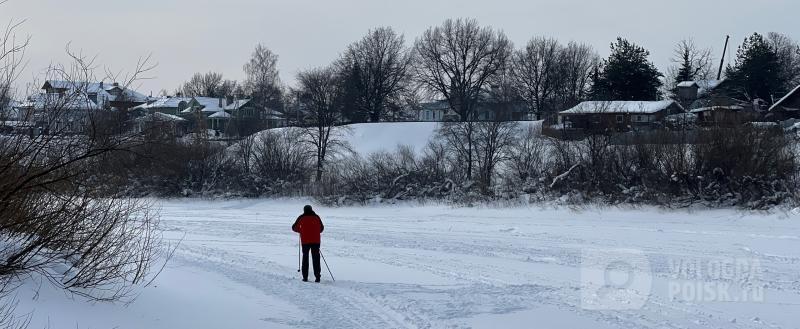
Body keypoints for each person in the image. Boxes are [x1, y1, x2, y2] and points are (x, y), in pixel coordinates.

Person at [292, 205, 325, 282]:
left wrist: (301, 230)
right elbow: (321, 228)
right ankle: (317, 277)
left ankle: (305, 277)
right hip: (316, 241)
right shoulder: (316, 217)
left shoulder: (301, 217)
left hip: (305, 241)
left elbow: (294, 227)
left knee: (305, 258)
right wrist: (315, 232)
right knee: (316, 259)